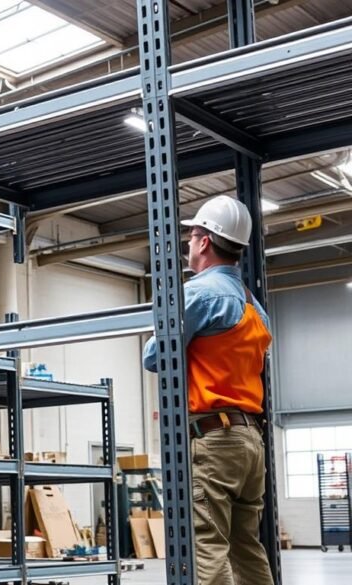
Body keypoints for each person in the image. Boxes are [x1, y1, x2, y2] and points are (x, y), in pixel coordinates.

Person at [142, 195, 273, 585]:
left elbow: (154, 356)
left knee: (206, 546)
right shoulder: (253, 305)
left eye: (191, 236)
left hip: (214, 440)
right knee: (246, 547)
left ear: (204, 241)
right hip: (250, 441)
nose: (188, 244)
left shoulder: (199, 293)